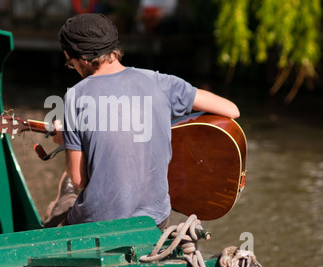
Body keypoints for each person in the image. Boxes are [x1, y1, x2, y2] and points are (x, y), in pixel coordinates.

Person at [44, 13, 240, 230]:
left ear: (83, 59)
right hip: (155, 220)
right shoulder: (159, 82)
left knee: (55, 221)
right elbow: (232, 110)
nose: (75, 69)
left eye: (70, 63)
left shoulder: (76, 96)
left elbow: (79, 179)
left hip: (99, 223)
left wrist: (68, 140)